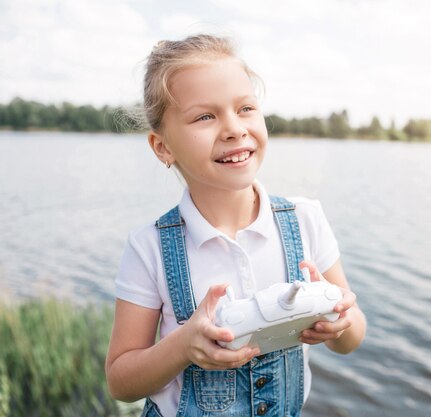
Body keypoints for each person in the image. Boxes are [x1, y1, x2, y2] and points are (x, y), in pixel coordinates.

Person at [105, 34, 367, 417]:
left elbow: (353, 335)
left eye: (245, 108)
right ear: (162, 147)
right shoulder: (150, 248)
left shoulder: (305, 219)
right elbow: (120, 382)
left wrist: (339, 323)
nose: (234, 129)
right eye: (205, 117)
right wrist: (181, 348)